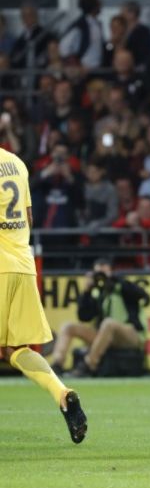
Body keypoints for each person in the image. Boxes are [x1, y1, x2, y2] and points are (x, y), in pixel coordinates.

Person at [0, 147, 87, 443]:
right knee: (17, 349)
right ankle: (62, 392)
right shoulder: (16, 164)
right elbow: (29, 218)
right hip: (23, 267)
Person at [50, 257, 149, 376]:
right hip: (105, 336)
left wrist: (116, 280)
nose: (101, 277)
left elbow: (142, 295)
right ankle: (57, 364)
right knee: (68, 327)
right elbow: (84, 316)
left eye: (105, 273)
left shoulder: (123, 286)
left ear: (112, 272)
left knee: (108, 323)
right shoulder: (97, 293)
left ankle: (88, 365)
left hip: (131, 335)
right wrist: (86, 292)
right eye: (98, 273)